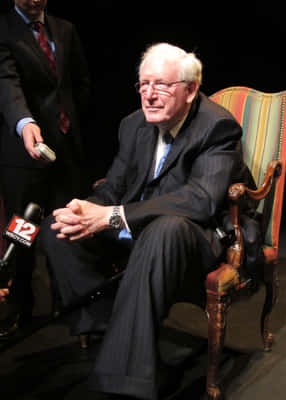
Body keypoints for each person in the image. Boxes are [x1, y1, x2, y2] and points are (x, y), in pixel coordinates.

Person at [41, 43, 261, 400]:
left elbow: (200, 200)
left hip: (197, 236)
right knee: (58, 227)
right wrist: (87, 209)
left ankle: (127, 380)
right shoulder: (133, 125)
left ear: (190, 90)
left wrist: (113, 216)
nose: (149, 95)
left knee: (165, 228)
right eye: (143, 84)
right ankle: (117, 330)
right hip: (141, 228)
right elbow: (113, 188)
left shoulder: (217, 126)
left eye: (161, 85)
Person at [0, 0, 91, 334]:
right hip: (23, 155)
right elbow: (6, 86)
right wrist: (25, 124)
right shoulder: (4, 29)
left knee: (66, 225)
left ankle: (68, 302)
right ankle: (20, 305)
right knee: (22, 230)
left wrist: (69, 124)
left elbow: (79, 82)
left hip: (66, 150)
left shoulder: (65, 29)